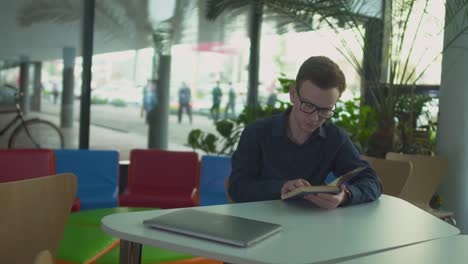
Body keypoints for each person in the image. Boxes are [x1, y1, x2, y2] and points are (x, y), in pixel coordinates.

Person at [228, 56, 382, 208]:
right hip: (258, 222)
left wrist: (346, 196)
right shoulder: (257, 132)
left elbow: (372, 181)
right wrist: (281, 188)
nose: (315, 118)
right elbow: (237, 188)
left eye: (325, 110)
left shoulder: (335, 138)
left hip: (310, 225)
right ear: (293, 94)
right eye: (308, 105)